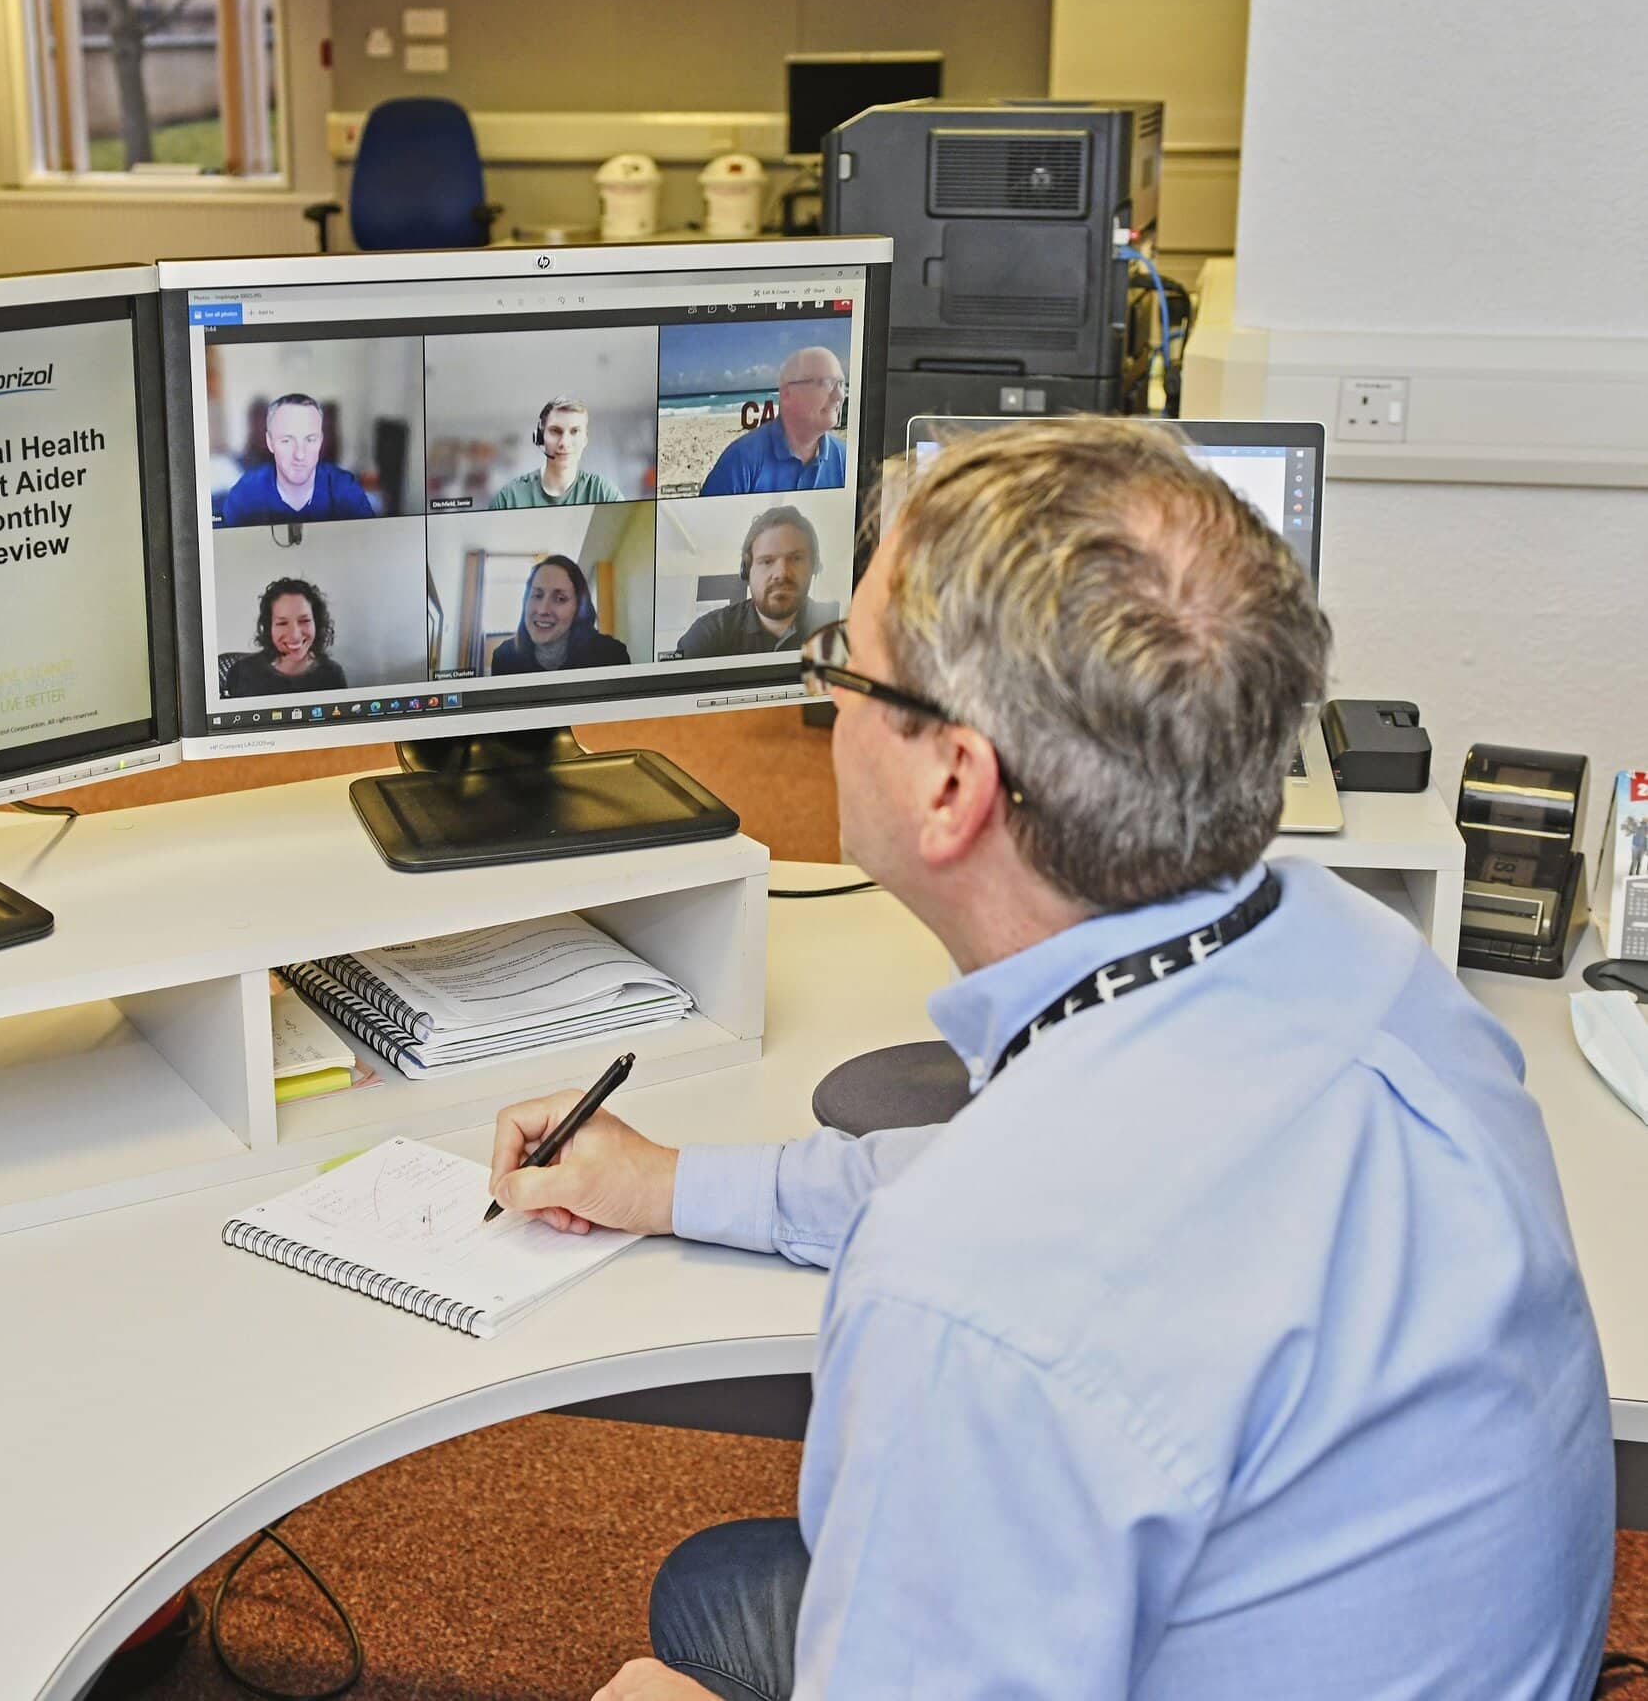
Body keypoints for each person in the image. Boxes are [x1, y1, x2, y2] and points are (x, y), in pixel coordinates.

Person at [487, 418, 1612, 1701]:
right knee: (720, 1588)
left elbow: (1004, 1245)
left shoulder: (968, 1293)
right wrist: (670, 1186)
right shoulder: (1361, 957)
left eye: (842, 668)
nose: (827, 700)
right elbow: (1022, 1186)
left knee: (666, 1660)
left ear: (955, 785)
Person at [674, 505, 822, 658]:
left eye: (796, 558)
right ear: (747, 570)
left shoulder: (840, 624)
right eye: (767, 561)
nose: (781, 573)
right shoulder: (708, 632)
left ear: (814, 567)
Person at [697, 347, 847, 495]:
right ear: (787, 394)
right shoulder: (741, 460)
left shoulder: (846, 459)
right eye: (826, 383)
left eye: (841, 384)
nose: (839, 396)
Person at [216, 394, 379, 526]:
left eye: (310, 439)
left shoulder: (345, 488)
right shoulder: (245, 493)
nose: (300, 454)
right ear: (270, 442)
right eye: (287, 440)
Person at [489, 554, 631, 674]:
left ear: (579, 607)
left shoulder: (612, 656)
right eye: (537, 595)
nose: (543, 610)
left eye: (560, 599)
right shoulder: (504, 657)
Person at [222, 577, 350, 696]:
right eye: (282, 623)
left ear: (317, 623)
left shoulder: (332, 674)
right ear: (269, 627)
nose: (294, 635)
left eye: (304, 621)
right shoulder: (241, 673)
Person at [489, 398, 623, 509]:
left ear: (585, 439)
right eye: (555, 431)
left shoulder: (604, 493)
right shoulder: (509, 497)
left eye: (575, 431)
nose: (564, 443)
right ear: (540, 438)